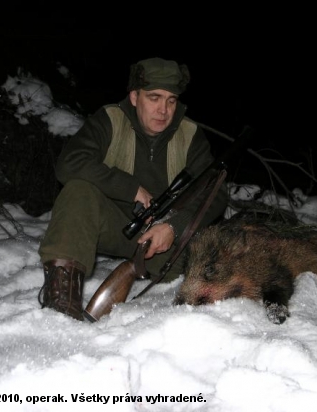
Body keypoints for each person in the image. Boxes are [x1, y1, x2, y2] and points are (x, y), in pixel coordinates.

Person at [37, 57, 229, 321]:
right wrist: (130, 188)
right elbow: (69, 163)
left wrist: (174, 226)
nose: (163, 110)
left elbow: (215, 192)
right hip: (116, 227)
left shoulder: (190, 136)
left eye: (171, 100)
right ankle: (60, 304)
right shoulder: (110, 120)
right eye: (154, 98)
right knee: (78, 190)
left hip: (165, 247)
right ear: (135, 97)